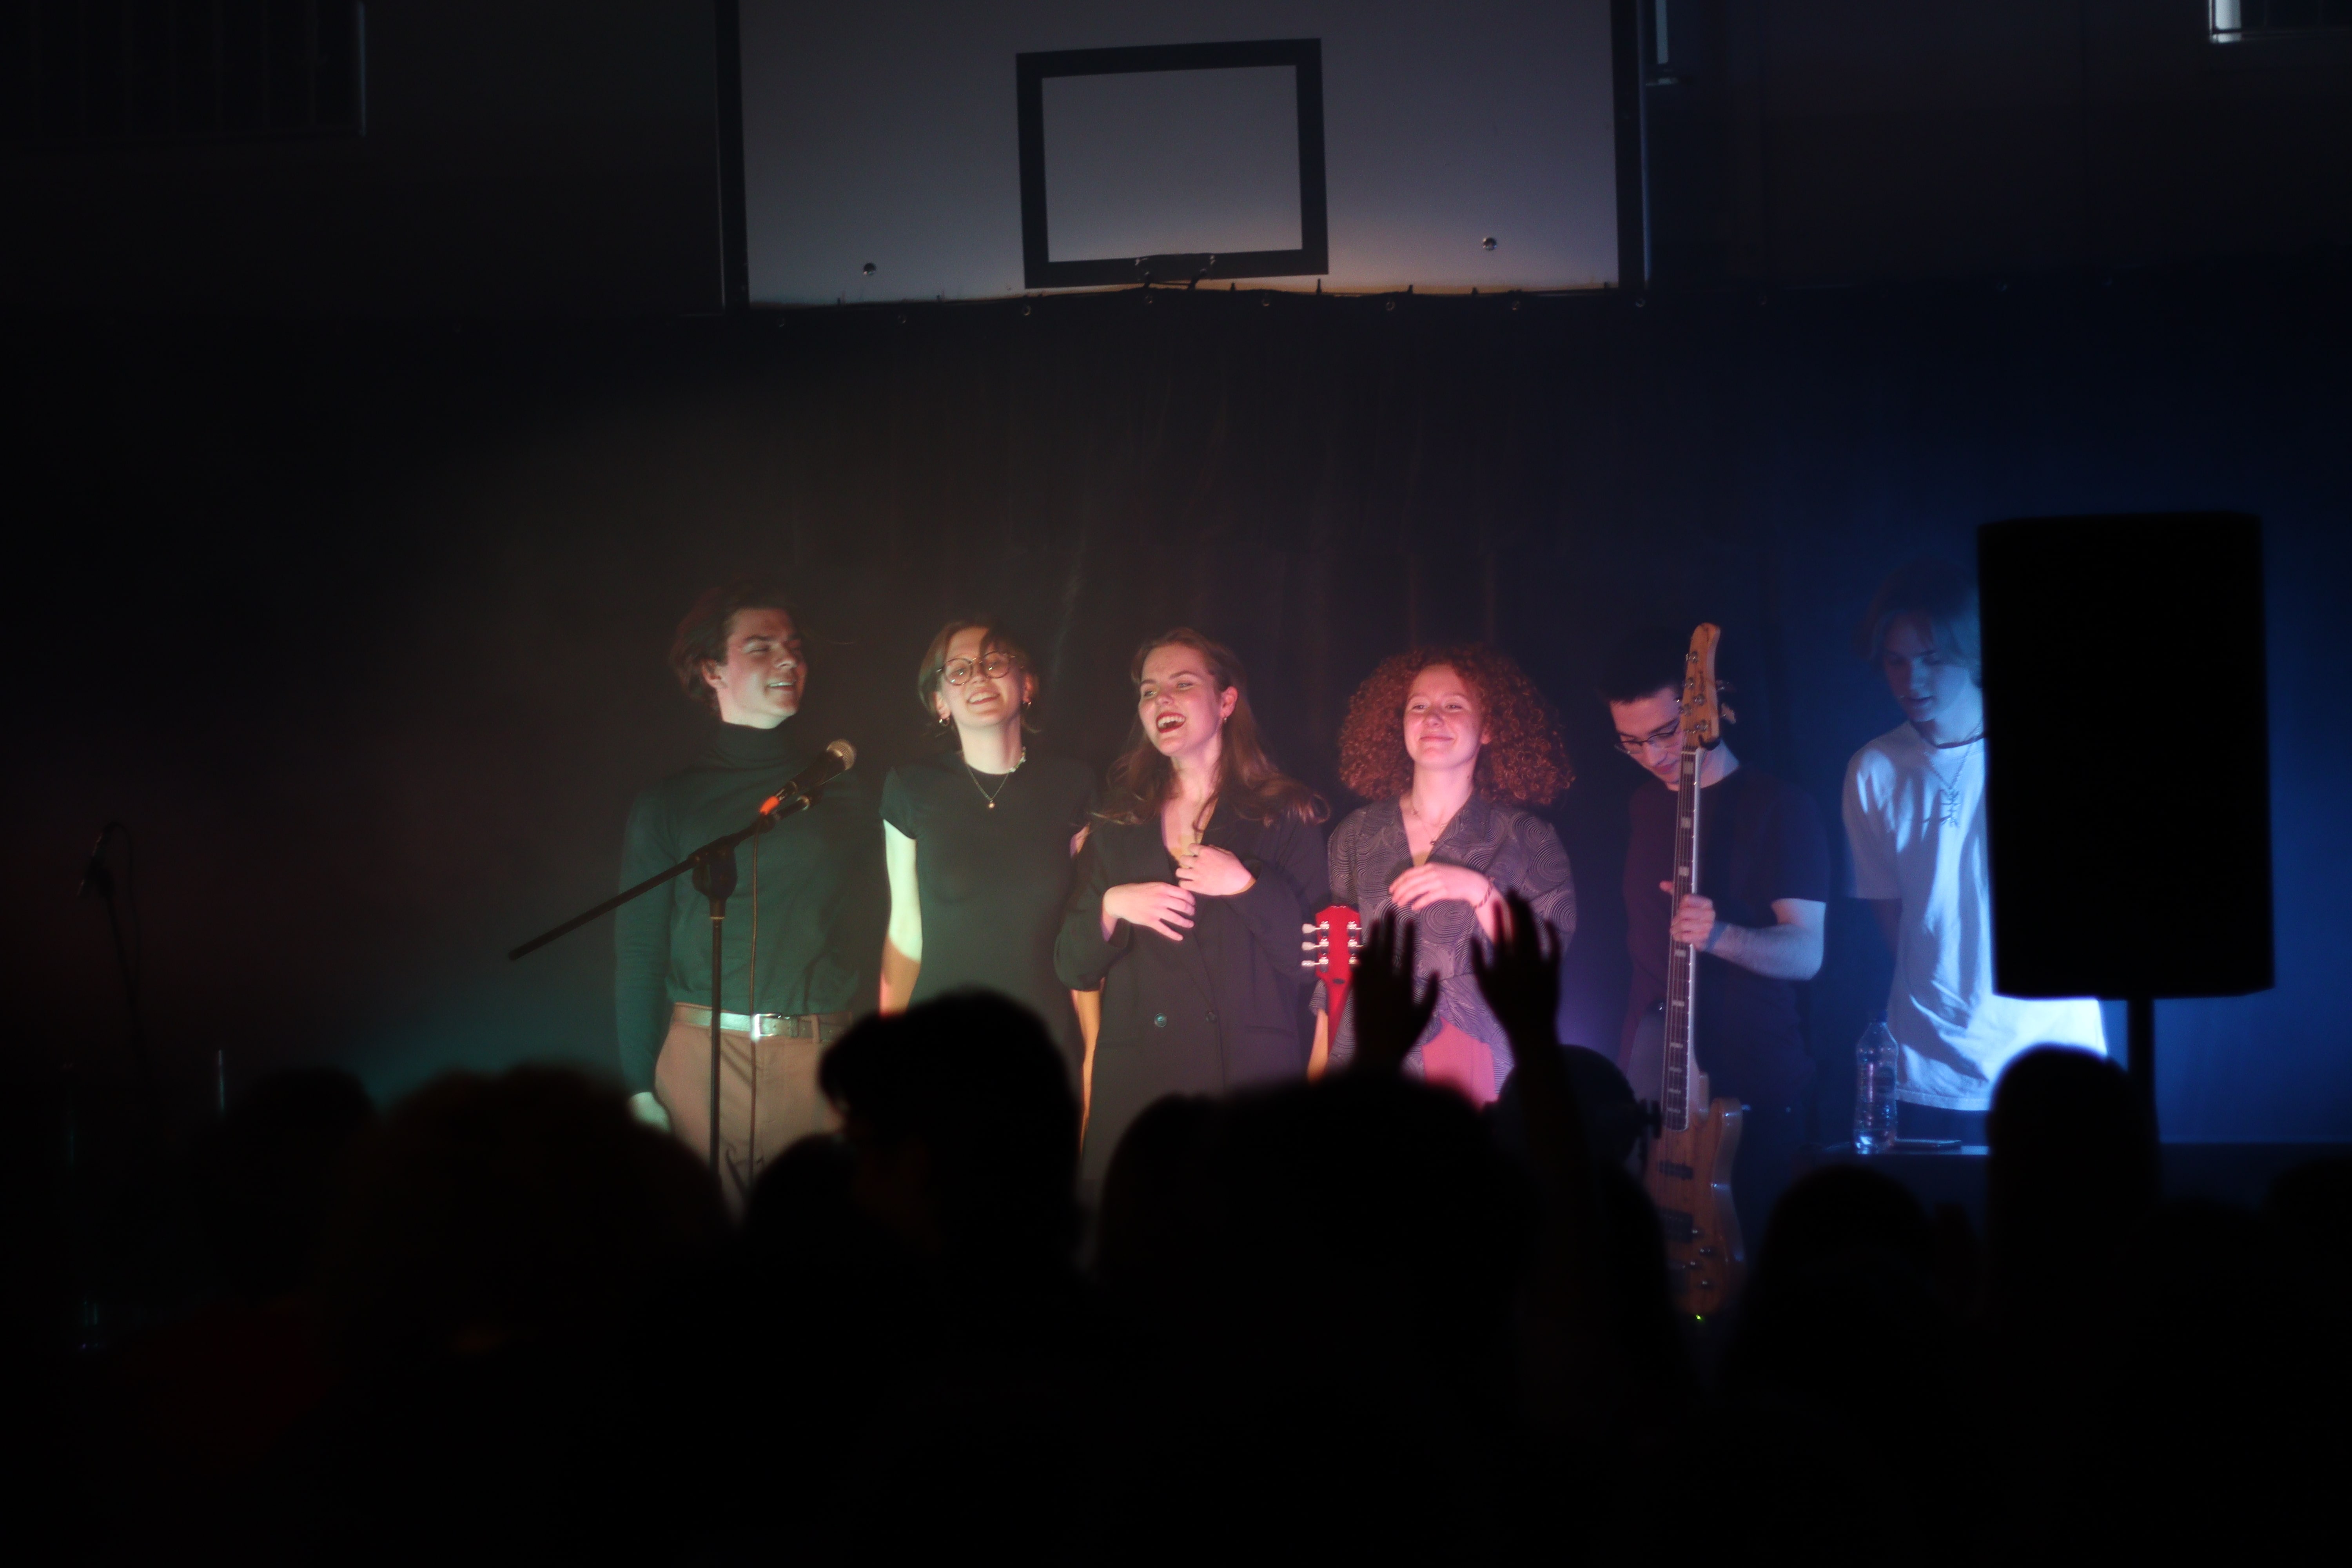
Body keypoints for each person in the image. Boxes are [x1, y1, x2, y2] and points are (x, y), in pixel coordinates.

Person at [614, 583, 884, 1209]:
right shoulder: (669, 803)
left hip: (818, 1057)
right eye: (761, 647)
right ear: (712, 670)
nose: (788, 660)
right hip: (699, 1062)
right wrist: (639, 1089)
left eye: (794, 647)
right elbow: (640, 951)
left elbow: (880, 930)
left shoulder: (845, 790)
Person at [1842, 561, 2104, 1145]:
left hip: (2053, 1056)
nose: (1913, 679)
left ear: (1973, 652)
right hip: (1928, 1069)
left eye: (1932, 659)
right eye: (1897, 661)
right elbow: (1893, 918)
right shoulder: (1873, 768)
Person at [1054, 628, 1327, 1188]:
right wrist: (1111, 905)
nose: (1162, 701)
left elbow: (1312, 963)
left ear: (1226, 702)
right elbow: (1072, 965)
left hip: (1244, 1082)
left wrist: (1246, 886)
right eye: (1149, 691)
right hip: (1141, 1089)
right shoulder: (1118, 823)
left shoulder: (1285, 812)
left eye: (1182, 684)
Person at [1603, 626, 1829, 1237]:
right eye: (1631, 743)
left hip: (1753, 1085)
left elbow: (1806, 953)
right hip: (1652, 1083)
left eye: (1665, 733)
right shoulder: (1642, 805)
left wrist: (1721, 935)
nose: (1652, 757)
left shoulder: (1782, 806)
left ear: (1706, 707)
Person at [1319, 645, 1575, 1105]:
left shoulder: (1528, 838)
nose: (1433, 718)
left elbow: (1542, 962)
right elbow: (1337, 972)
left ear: (1489, 727)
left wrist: (1479, 892)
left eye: (1454, 705)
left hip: (1476, 1060)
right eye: (1418, 706)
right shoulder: (1356, 833)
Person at [878, 620, 1097, 1086]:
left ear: (1028, 684)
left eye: (994, 662)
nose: (978, 676)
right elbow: (905, 931)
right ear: (940, 702)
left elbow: (1085, 934)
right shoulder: (912, 788)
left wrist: (1095, 1055)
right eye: (958, 670)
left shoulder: (1073, 785)